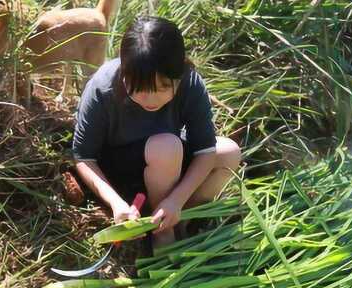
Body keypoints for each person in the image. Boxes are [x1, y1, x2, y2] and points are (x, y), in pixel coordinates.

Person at [72, 16, 241, 250]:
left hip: (167, 171)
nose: (151, 100)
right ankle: (162, 236)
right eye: (140, 89)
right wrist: (115, 203)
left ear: (179, 73)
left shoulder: (190, 84)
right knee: (167, 146)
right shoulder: (102, 88)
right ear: (124, 73)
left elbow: (206, 152)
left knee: (229, 153)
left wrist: (176, 201)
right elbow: (83, 157)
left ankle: (180, 220)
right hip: (121, 174)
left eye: (162, 88)